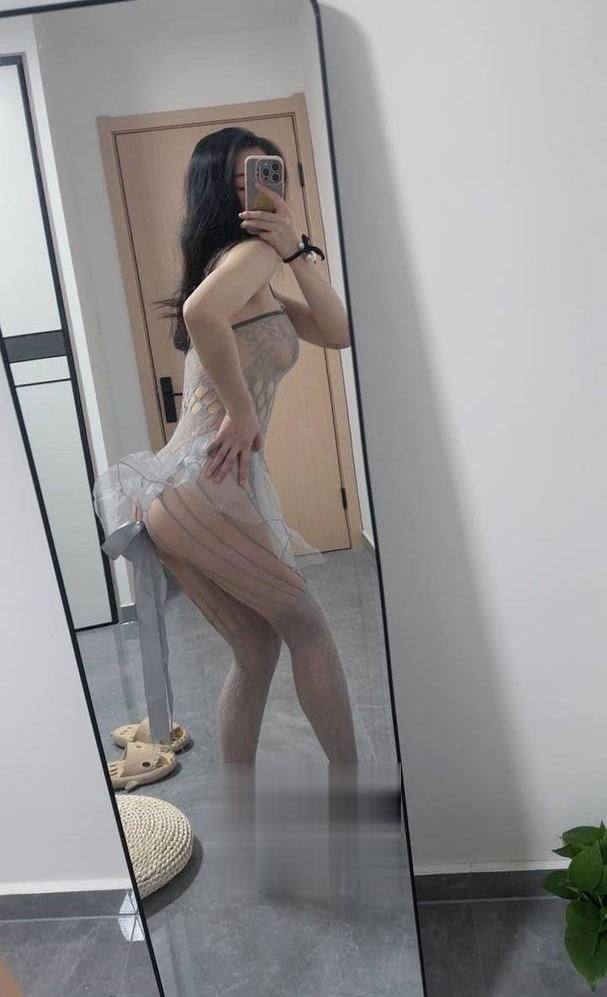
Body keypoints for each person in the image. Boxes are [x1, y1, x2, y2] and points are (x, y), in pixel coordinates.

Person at [95, 127, 358, 764]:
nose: (256, 192)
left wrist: (298, 250)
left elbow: (338, 330)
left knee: (256, 648)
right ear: (217, 191)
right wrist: (241, 412)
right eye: (240, 181)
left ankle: (244, 808)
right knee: (309, 633)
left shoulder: (254, 267)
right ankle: (353, 797)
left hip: (179, 492)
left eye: (266, 176)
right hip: (202, 485)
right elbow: (199, 314)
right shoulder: (248, 258)